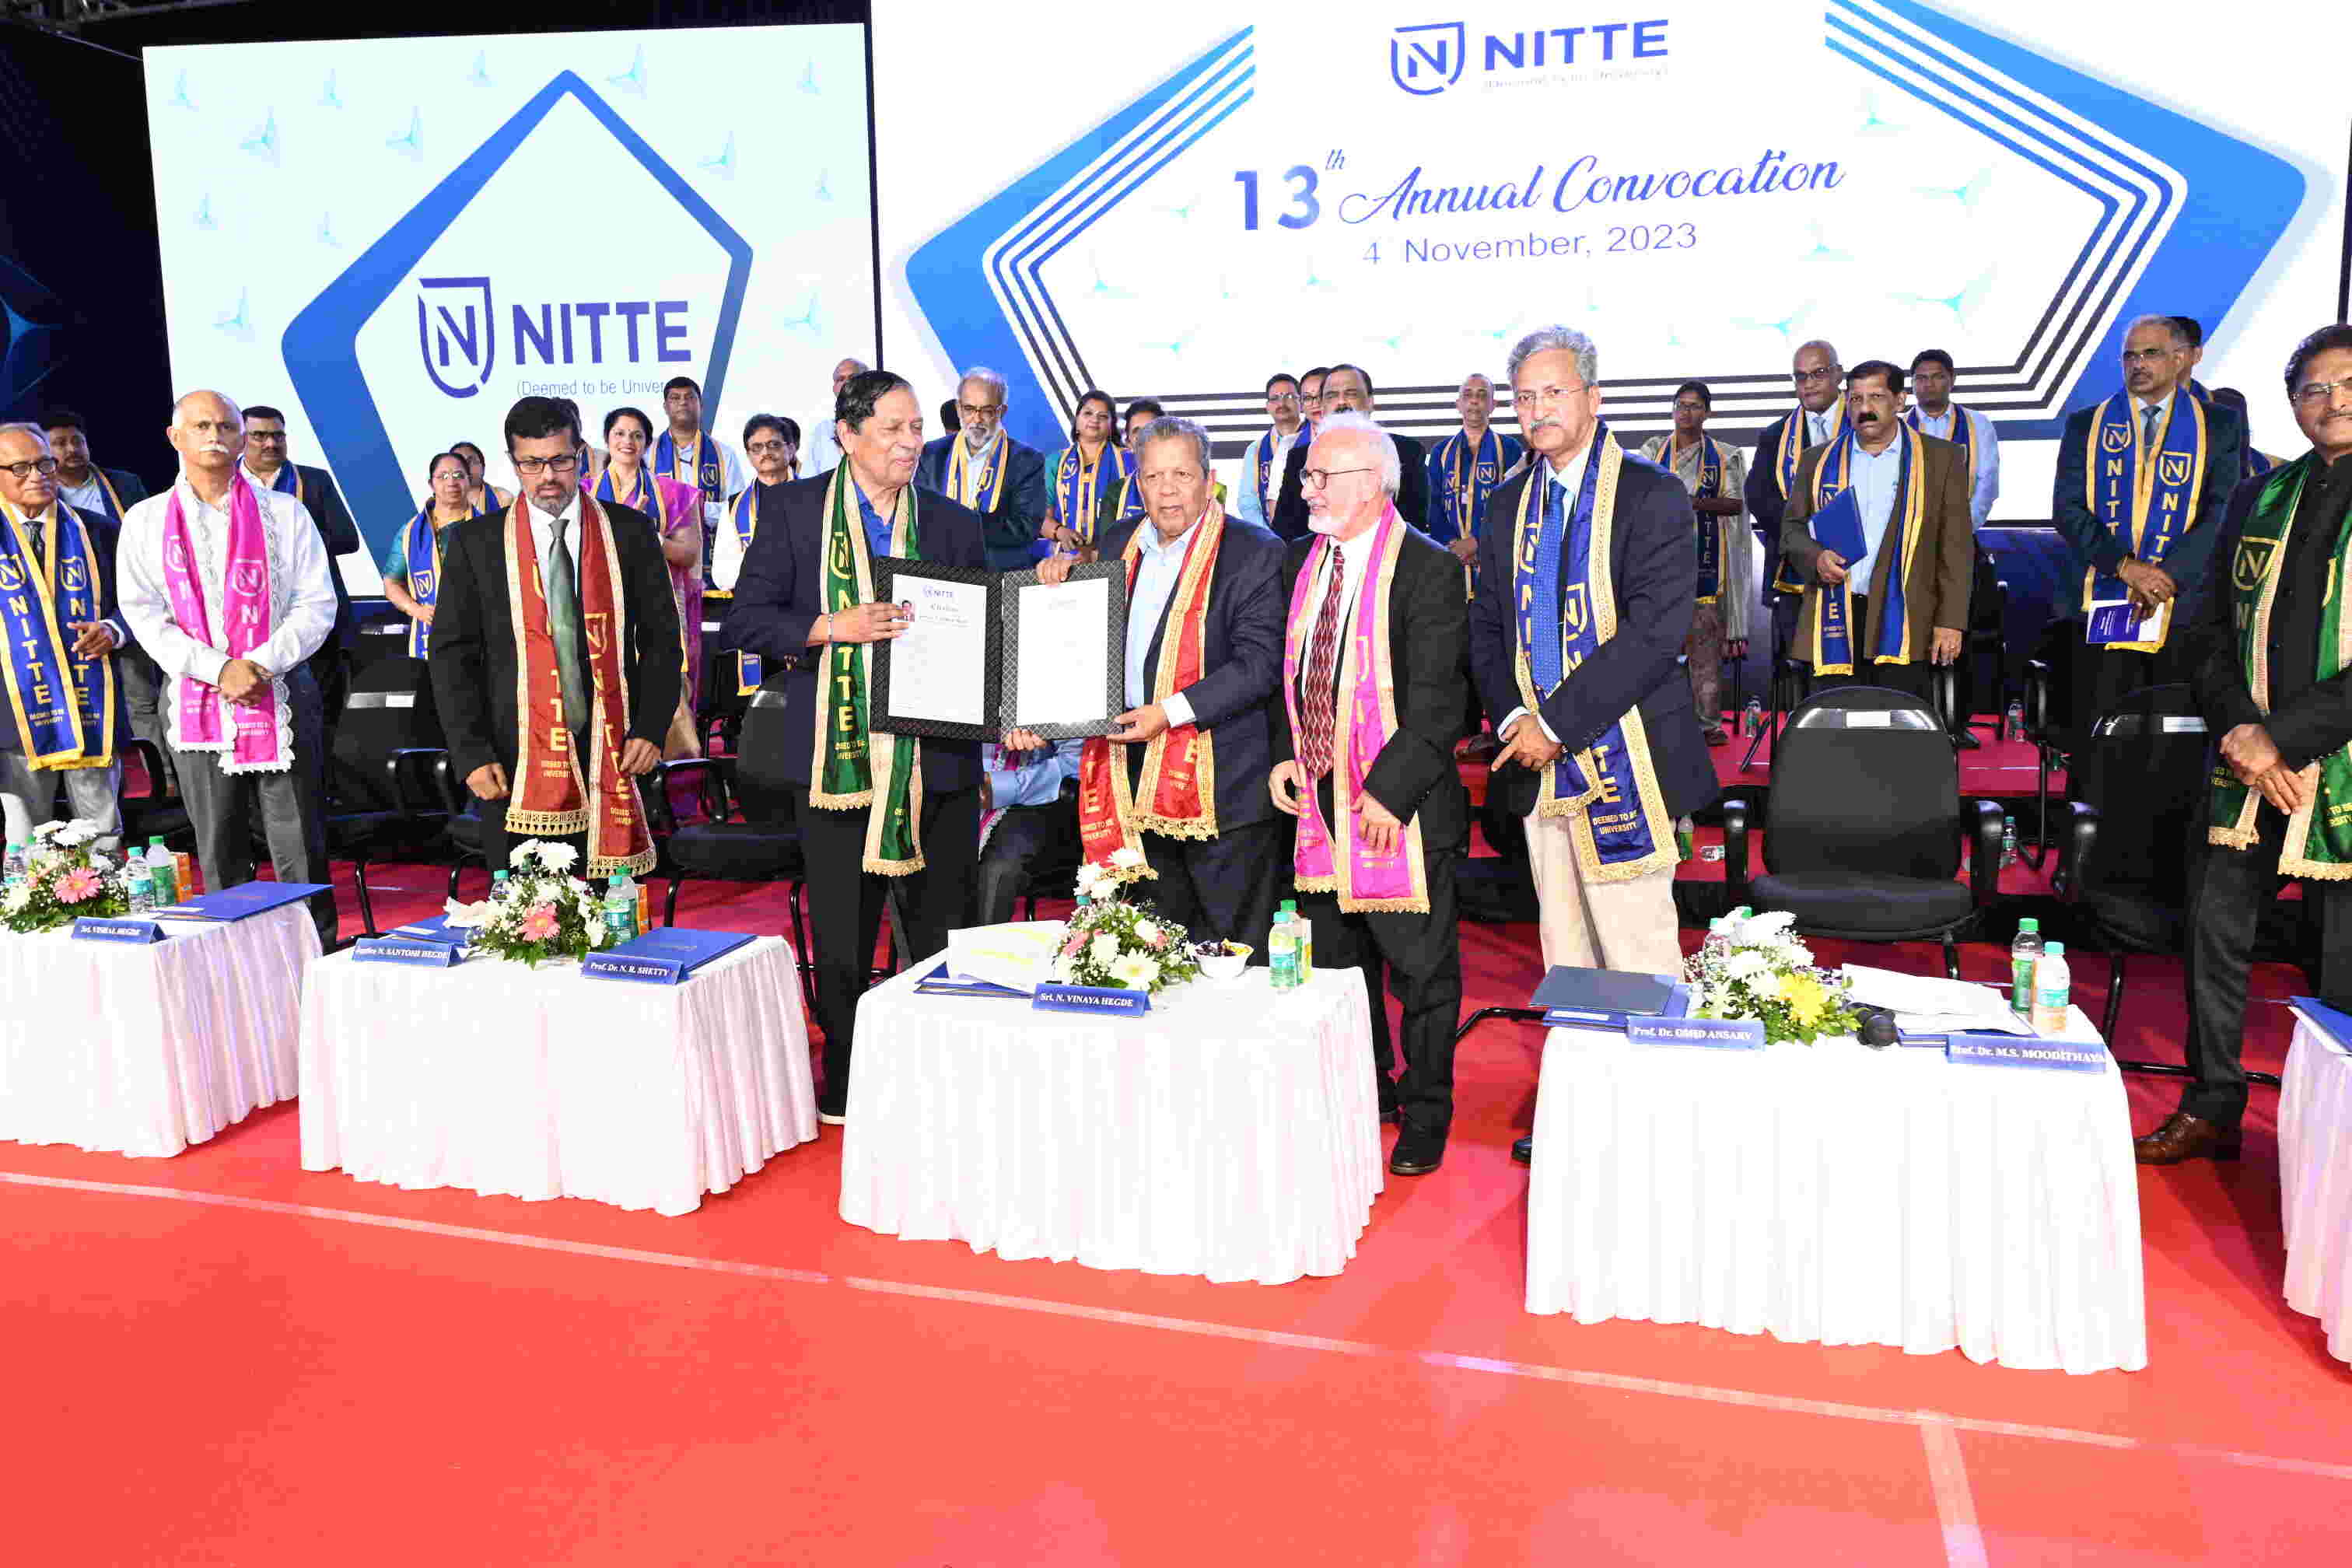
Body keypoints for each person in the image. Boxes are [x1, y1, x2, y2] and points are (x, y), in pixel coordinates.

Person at [1467, 327, 1716, 1166]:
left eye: (1554, 393)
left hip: (1627, 759)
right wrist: (1514, 718)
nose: (1537, 410)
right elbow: (1487, 625)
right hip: (1537, 767)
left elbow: (1654, 634)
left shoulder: (1652, 495)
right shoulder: (1507, 502)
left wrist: (1555, 725)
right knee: (1564, 945)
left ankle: (1663, 1124)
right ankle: (1584, 1113)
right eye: (1524, 398)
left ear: (1594, 398)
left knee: (1637, 946)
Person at [720, 370, 986, 1123]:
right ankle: (846, 1074)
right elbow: (745, 620)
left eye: (916, 428)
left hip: (936, 761)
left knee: (944, 929)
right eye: (893, 429)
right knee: (843, 930)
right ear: (847, 434)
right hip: (834, 759)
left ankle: (947, 1076)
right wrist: (828, 627)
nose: (911, 442)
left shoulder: (953, 522)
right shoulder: (792, 510)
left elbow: (984, 635)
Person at [2142, 324, 2352, 1164]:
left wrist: (2284, 740)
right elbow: (2204, 629)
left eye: (2348, 384)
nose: (2332, 402)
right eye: (2314, 389)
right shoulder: (2258, 497)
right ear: (2293, 404)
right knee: (2215, 936)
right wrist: (2241, 733)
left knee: (2342, 961)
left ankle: (2331, 1141)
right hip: (2246, 766)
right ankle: (2213, 1103)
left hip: (2340, 764)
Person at [1268, 411, 1469, 1176]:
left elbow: (1441, 702)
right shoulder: (1300, 560)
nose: (1307, 490)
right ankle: (1366, 1092)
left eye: (1321, 477)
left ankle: (1426, 1111)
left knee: (1420, 975)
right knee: (1339, 972)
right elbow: (1290, 677)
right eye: (1307, 475)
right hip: (1319, 809)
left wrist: (1389, 790)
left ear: (1371, 483)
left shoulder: (1428, 569)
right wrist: (1287, 757)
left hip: (1398, 814)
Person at [1030, 415, 1286, 954]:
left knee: (1235, 959)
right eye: (1153, 476)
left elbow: (1259, 665)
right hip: (1130, 783)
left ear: (1209, 479)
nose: (1167, 490)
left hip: (1223, 791)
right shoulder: (1117, 542)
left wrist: (1168, 713)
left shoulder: (1255, 550)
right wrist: (1056, 585)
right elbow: (1083, 642)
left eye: (1181, 475)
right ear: (1138, 483)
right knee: (1151, 954)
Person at [428, 396, 677, 889]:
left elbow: (662, 640)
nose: (547, 477)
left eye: (560, 461)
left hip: (615, 747)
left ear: (581, 454)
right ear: (513, 462)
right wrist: (471, 752)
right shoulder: (477, 543)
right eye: (532, 463)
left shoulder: (629, 532)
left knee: (616, 915)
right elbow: (452, 657)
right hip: (514, 757)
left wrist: (651, 728)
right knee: (530, 919)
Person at [117, 391, 339, 945]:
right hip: (197, 699)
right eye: (200, 426)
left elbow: (317, 604)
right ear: (175, 437)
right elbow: (143, 615)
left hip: (280, 691)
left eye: (224, 426)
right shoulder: (145, 520)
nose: (214, 435)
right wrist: (219, 670)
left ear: (242, 438)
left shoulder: (285, 512)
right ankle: (231, 959)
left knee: (299, 843)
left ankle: (315, 955)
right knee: (218, 845)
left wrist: (258, 665)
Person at [2053, 315, 2246, 755]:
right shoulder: (2087, 424)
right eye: (2130, 355)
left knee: (2173, 739)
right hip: (2103, 598)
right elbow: (2067, 509)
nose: (2138, 364)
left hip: (2184, 605)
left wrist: (2165, 577)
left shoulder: (2219, 424)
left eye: (2151, 353)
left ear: (2180, 359)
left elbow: (2224, 510)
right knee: (2103, 731)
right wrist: (2126, 568)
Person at [1780, 360, 1973, 703]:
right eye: (1856, 399)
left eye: (1876, 397)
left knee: (1897, 727)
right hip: (1835, 617)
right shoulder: (1817, 461)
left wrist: (1951, 622)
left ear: (1900, 400)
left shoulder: (1941, 459)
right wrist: (1815, 557)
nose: (1865, 408)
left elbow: (1956, 550)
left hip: (1908, 620)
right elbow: (1791, 530)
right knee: (1833, 726)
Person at [0, 424, 131, 852]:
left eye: (44, 464)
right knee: (26, 838)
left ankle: (108, 896)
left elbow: (141, 604)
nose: (36, 476)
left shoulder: (99, 531)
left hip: (91, 700)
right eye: (20, 468)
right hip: (14, 712)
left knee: (102, 833)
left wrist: (113, 630)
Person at [40, 408, 164, 784]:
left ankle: (161, 778)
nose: (71, 449)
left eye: (77, 441)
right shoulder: (40, 492)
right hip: (74, 611)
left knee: (143, 698)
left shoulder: (124, 483)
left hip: (127, 604)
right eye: (60, 443)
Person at [1640, 382, 1752, 744]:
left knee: (1705, 654)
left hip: (1706, 572)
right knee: (1656, 654)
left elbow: (1734, 504)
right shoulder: (1652, 451)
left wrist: (1686, 501)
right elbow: (1639, 497)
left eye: (1694, 406)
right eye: (1680, 405)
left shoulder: (1725, 455)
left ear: (1707, 412)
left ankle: (1707, 724)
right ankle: (1656, 722)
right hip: (1658, 575)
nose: (1686, 412)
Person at [240, 405, 359, 733]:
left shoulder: (314, 480)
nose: (270, 443)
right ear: (241, 439)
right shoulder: (225, 483)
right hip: (248, 616)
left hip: (311, 616)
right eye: (259, 436)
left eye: (277, 435)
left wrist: (291, 537)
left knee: (322, 715)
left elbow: (348, 539)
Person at [595, 407, 705, 753]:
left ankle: (675, 779)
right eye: (619, 433)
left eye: (637, 435)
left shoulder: (674, 493)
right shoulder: (583, 493)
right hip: (599, 610)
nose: (627, 441)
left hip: (658, 607)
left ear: (647, 443)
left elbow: (688, 555)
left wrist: (648, 536)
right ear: (607, 439)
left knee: (665, 685)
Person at [1745, 340, 1846, 668]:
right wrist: (1808, 542)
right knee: (1800, 670)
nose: (1809, 384)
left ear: (1839, 375)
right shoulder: (1775, 435)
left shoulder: (1868, 426)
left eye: (1819, 373)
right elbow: (1759, 496)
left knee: (1853, 672)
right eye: (1801, 376)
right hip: (1794, 571)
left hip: (1859, 570)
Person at [915, 366, 1052, 572]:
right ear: (958, 408)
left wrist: (966, 525)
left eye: (987, 411)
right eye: (969, 409)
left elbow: (1026, 528)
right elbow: (918, 514)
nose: (977, 419)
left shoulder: (1028, 460)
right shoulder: (933, 453)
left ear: (1001, 411)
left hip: (997, 575)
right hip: (940, 573)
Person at [1271, 366, 1427, 540]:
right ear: (1322, 406)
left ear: (1370, 402)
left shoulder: (1406, 452)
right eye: (1331, 396)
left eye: (1351, 394)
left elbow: (1413, 527)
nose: (1341, 402)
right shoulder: (1299, 458)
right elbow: (1285, 532)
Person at [380, 450, 481, 659]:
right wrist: (416, 610)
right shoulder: (410, 533)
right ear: (431, 484)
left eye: (459, 475)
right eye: (443, 476)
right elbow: (391, 583)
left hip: (480, 633)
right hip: (431, 634)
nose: (451, 482)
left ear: (469, 481)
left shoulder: (489, 527)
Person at [974, 736, 1083, 925]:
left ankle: (985, 941)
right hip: (955, 782)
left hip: (1034, 793)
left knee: (999, 869)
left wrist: (1004, 786)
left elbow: (1075, 758)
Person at [1424, 373, 1524, 576]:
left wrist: (1478, 542)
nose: (1474, 400)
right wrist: (1454, 546)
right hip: (1451, 558)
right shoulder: (1440, 452)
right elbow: (1434, 507)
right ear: (1458, 404)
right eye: (1468, 394)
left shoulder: (1510, 448)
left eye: (1482, 395)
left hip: (1495, 557)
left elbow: (1514, 505)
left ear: (1493, 405)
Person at [655, 375, 747, 587]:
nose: (683, 402)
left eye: (689, 397)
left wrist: (696, 510)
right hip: (663, 561)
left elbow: (736, 510)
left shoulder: (724, 454)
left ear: (701, 405)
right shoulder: (648, 453)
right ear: (665, 407)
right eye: (675, 398)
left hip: (713, 561)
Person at [1041, 390, 1132, 555]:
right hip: (1065, 555)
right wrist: (1060, 532)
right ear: (1076, 421)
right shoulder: (1056, 462)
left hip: (1115, 555)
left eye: (1103, 416)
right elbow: (1040, 517)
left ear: (1111, 425)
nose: (1095, 420)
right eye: (1088, 413)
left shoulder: (1129, 460)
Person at [1234, 373, 1306, 527]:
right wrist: (1269, 535)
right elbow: (1247, 503)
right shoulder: (1256, 450)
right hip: (1270, 535)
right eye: (1275, 398)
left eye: (1289, 396)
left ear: (1301, 402)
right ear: (1267, 406)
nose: (1282, 403)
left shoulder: (1315, 440)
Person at [801, 357, 867, 477]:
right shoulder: (824, 431)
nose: (846, 383)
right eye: (840, 379)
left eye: (853, 378)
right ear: (834, 388)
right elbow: (808, 478)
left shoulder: (880, 422)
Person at [449, 439, 512, 513]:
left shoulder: (503, 498)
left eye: (470, 461)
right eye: (459, 463)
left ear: (483, 467)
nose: (465, 467)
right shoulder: (440, 505)